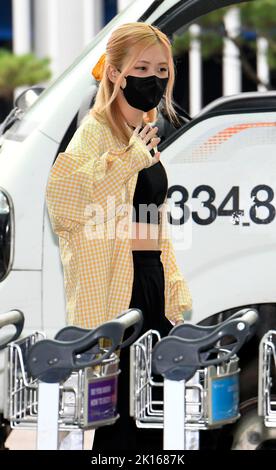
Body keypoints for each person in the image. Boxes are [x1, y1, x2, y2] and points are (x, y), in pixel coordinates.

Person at [46, 22, 192, 451]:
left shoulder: (141, 135)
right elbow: (66, 206)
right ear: (115, 73)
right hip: (114, 292)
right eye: (142, 67)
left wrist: (173, 296)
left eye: (163, 70)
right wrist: (128, 161)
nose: (154, 79)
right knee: (116, 425)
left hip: (148, 284)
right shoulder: (93, 135)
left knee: (150, 421)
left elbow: (154, 224)